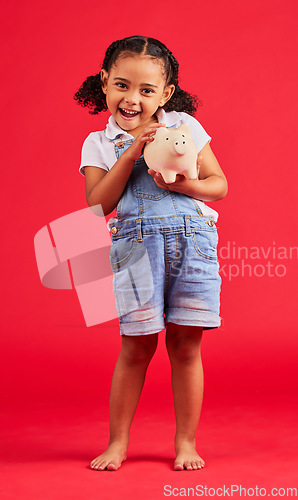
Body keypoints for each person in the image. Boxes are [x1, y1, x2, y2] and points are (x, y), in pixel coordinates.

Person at [74, 35, 228, 472]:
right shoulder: (98, 143)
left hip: (193, 242)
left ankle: (185, 442)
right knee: (136, 346)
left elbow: (219, 184)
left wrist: (185, 186)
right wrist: (133, 148)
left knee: (185, 345)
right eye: (122, 85)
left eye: (146, 91)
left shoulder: (185, 127)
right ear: (104, 82)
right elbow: (97, 206)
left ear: (166, 93)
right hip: (137, 250)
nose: (132, 99)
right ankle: (118, 442)